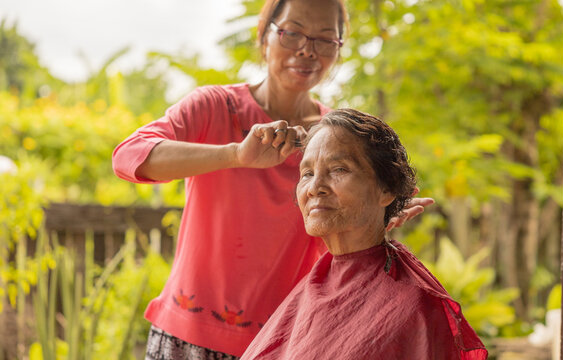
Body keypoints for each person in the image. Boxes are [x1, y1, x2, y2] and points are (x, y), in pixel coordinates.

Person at [112, 0, 431, 358]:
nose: (307, 50)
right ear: (265, 36)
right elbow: (128, 157)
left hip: (285, 341)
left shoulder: (337, 138)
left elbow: (334, 237)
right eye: (292, 32)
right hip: (187, 338)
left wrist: (375, 216)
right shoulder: (214, 107)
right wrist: (235, 155)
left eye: (325, 39)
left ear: (338, 50)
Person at [241, 109, 488, 360]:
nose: (315, 188)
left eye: (338, 169)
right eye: (307, 173)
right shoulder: (315, 285)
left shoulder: (411, 305)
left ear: (386, 190)